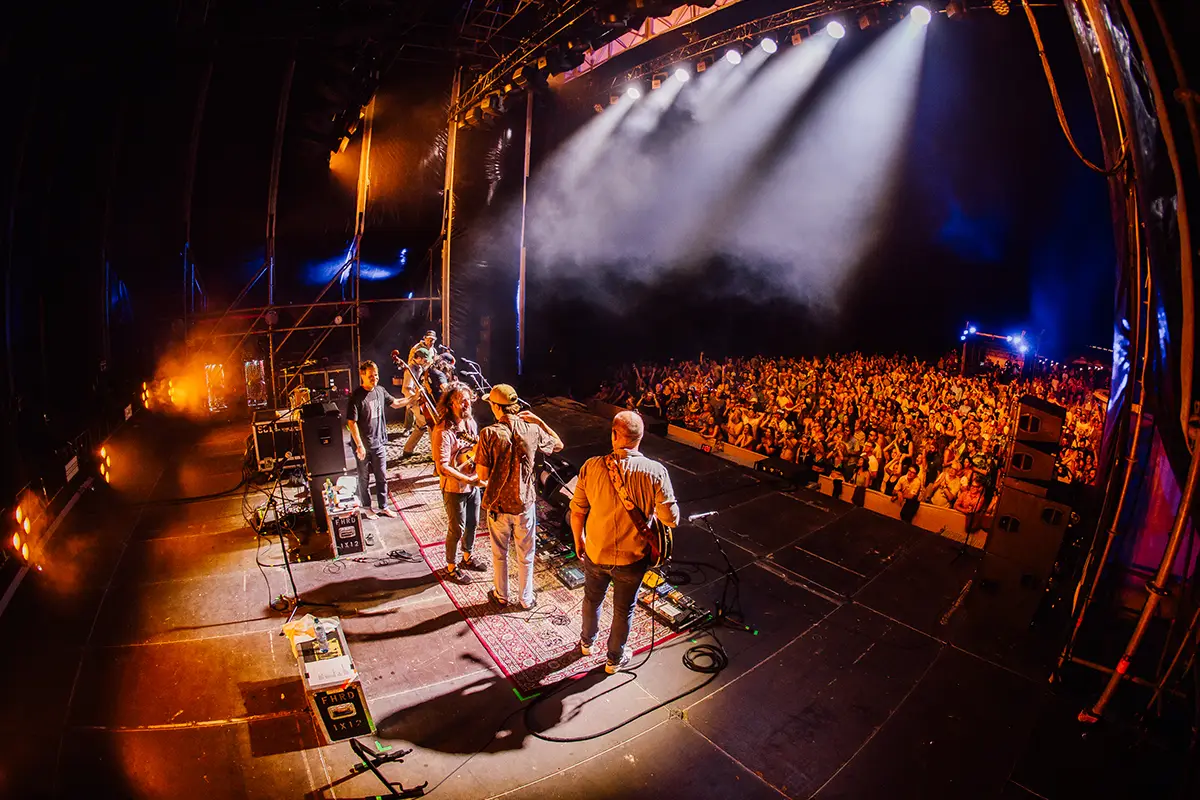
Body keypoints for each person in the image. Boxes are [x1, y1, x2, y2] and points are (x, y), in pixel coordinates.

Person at [570, 411, 680, 674]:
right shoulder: (656, 471)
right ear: (640, 438)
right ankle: (613, 659)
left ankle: (586, 644)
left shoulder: (592, 465)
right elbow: (671, 519)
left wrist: (579, 540)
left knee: (592, 600)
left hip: (596, 551)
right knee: (623, 610)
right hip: (632, 558)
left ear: (615, 435)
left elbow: (577, 510)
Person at [475, 384, 563, 610]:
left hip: (498, 505)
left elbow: (482, 476)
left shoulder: (489, 434)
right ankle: (526, 599)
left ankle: (501, 596)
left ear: (496, 407)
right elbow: (559, 444)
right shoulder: (532, 430)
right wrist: (540, 422)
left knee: (500, 554)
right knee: (527, 554)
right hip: (525, 504)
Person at [431, 384, 487, 584]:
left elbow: (475, 448)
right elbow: (442, 467)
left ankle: (467, 557)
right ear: (451, 404)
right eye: (462, 400)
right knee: (457, 528)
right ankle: (451, 566)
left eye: (468, 399)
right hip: (454, 488)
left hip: (472, 484)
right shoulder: (443, 431)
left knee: (473, 522)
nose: (467, 404)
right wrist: (466, 479)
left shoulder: (470, 423)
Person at [346, 360, 405, 519]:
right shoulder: (356, 396)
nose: (375, 378)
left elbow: (396, 403)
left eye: (376, 375)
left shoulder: (380, 391)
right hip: (363, 446)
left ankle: (383, 506)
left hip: (379, 443)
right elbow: (351, 422)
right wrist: (359, 445)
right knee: (364, 478)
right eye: (371, 376)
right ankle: (367, 507)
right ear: (362, 376)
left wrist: (413, 399)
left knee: (382, 476)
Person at [399, 348, 434, 458]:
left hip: (418, 401)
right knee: (430, 424)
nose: (425, 362)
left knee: (420, 426)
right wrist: (417, 397)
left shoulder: (418, 367)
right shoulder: (410, 369)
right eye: (424, 360)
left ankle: (408, 450)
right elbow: (405, 389)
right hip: (414, 402)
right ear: (417, 358)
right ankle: (436, 454)